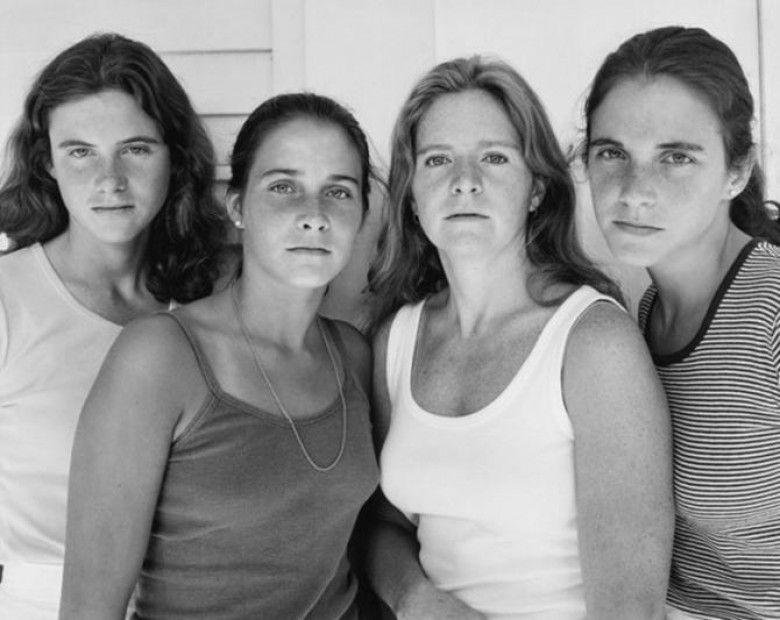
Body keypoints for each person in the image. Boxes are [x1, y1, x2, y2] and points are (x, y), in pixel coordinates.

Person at [365, 55, 674, 619]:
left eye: (494, 157)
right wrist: (416, 598)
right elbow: (385, 522)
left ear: (536, 189)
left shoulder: (592, 343)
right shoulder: (397, 341)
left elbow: (632, 609)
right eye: (438, 159)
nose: (464, 180)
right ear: (411, 195)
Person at [59, 92, 380, 619]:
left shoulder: (353, 355)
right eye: (283, 187)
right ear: (237, 207)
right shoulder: (160, 356)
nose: (314, 215)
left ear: (362, 213)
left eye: (338, 192)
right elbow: (87, 611)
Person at [0, 33, 226, 619]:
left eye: (135, 149)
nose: (110, 179)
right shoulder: (9, 300)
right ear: (46, 161)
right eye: (80, 151)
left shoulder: (211, 300)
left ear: (175, 155)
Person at [584, 26, 780, 620]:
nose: (634, 192)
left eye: (676, 157)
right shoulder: (638, 314)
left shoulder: (771, 309)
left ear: (736, 172)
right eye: (613, 153)